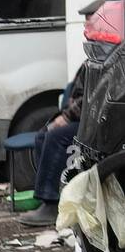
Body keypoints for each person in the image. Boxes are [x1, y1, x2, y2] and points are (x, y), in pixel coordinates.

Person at [20, 66, 87, 228]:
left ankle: (52, 203)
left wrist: (67, 117)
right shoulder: (92, 62)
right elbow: (77, 95)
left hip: (99, 122)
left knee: (56, 137)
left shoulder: (112, 62)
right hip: (84, 117)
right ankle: (48, 200)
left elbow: (92, 99)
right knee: (43, 136)